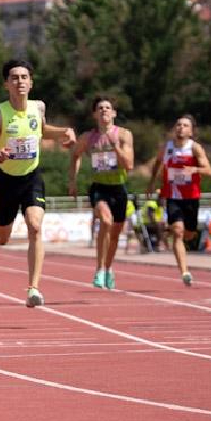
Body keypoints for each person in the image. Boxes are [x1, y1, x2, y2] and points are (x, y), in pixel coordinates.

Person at [0, 59, 75, 308]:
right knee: (3, 239)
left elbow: (41, 130)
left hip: (32, 177)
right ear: (6, 84)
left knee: (35, 226)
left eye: (24, 77)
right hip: (6, 181)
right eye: (15, 78)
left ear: (31, 82)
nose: (20, 82)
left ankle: (33, 289)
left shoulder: (38, 108)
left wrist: (64, 132)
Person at [69, 95, 134, 290]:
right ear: (94, 114)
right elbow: (75, 155)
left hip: (119, 187)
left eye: (107, 107)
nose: (104, 110)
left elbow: (129, 165)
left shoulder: (123, 135)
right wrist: (72, 181)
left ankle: (108, 268)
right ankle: (99, 269)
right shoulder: (88, 138)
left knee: (114, 235)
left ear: (113, 113)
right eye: (100, 108)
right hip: (99, 187)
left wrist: (116, 149)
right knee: (105, 221)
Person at [146, 115, 211, 286]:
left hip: (191, 197)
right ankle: (184, 271)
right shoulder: (167, 147)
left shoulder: (195, 148)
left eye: (185, 125)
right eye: (178, 125)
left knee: (189, 234)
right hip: (173, 196)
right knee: (177, 231)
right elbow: (157, 163)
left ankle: (186, 239)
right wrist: (152, 182)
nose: (180, 128)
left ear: (191, 131)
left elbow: (209, 170)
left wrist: (194, 169)